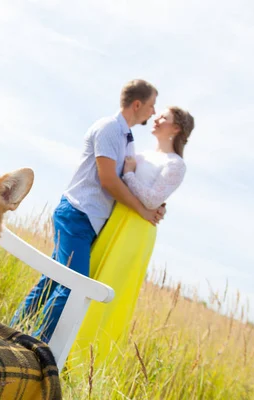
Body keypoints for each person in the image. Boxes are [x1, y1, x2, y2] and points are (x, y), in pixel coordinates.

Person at [10, 79, 165, 342]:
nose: (153, 112)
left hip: (89, 221)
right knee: (72, 287)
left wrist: (156, 204)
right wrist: (143, 210)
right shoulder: (108, 129)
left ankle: (12, 331)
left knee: (53, 281)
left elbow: (131, 181)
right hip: (77, 215)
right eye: (151, 106)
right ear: (137, 104)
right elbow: (109, 180)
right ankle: (35, 345)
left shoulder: (128, 142)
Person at [71, 106, 194, 364]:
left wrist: (128, 174)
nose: (157, 118)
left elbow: (151, 200)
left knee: (112, 290)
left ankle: (87, 360)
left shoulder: (176, 164)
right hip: (115, 220)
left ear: (176, 128)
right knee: (91, 276)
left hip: (137, 230)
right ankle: (66, 343)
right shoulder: (140, 153)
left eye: (165, 118)